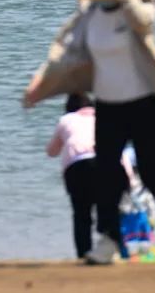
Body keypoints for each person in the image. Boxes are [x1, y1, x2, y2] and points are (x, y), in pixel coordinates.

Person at [24, 0, 155, 264]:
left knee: (153, 173)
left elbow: (144, 23)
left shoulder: (138, 4)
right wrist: (39, 83)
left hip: (147, 104)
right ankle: (107, 240)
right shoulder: (89, 14)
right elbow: (65, 50)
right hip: (108, 106)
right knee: (106, 173)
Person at [46, 93, 98, 260]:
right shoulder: (102, 117)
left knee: (81, 213)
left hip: (76, 167)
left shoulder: (66, 120)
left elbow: (51, 152)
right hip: (103, 164)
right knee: (108, 209)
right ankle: (113, 250)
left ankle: (84, 254)